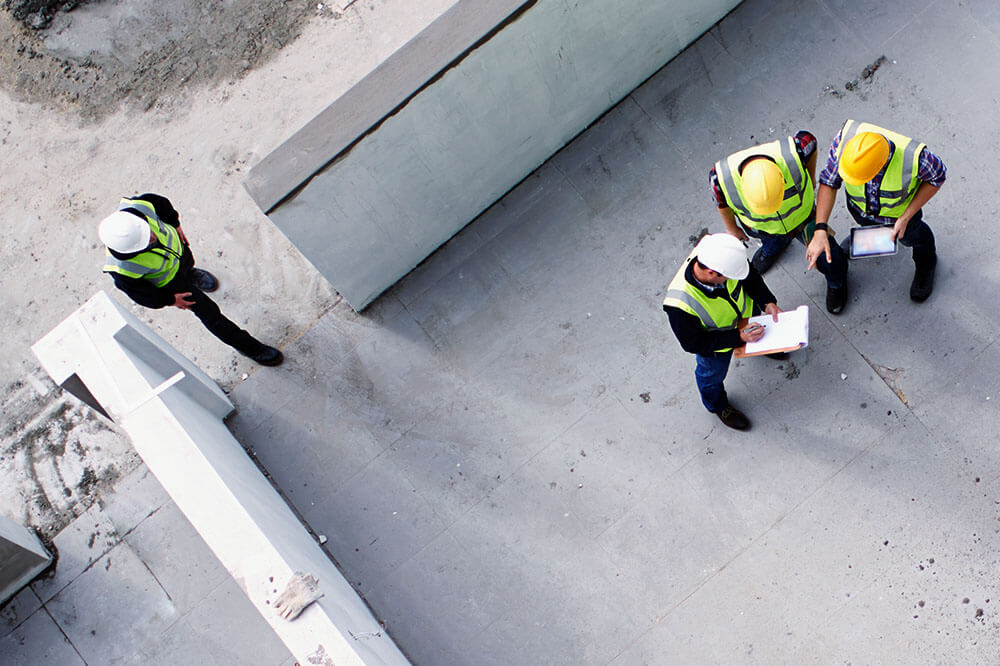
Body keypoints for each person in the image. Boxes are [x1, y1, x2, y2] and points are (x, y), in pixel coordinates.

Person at [98, 193, 283, 366]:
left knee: (188, 264)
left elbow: (162, 203)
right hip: (174, 285)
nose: (152, 237)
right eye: (146, 242)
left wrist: (174, 223)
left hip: (181, 255)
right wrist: (170, 300)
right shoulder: (122, 270)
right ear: (131, 251)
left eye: (148, 232)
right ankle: (250, 348)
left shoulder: (139, 207)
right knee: (211, 315)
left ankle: (192, 274)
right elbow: (142, 296)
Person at [807, 119, 946, 303]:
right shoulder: (844, 144)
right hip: (861, 210)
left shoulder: (915, 158)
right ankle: (872, 239)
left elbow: (938, 176)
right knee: (870, 229)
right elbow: (829, 182)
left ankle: (926, 263)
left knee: (915, 237)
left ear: (878, 169)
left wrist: (906, 216)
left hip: (900, 218)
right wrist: (820, 229)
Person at [711, 131, 849, 313]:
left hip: (804, 217)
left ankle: (836, 281)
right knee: (770, 240)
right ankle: (774, 246)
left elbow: (811, 143)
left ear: (781, 176)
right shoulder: (721, 179)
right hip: (764, 227)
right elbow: (721, 202)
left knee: (828, 256)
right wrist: (732, 228)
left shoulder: (796, 151)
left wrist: (811, 175)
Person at [662, 233, 783, 431]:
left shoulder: (725, 259)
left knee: (759, 334)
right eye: (728, 278)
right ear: (712, 274)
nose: (732, 279)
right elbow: (693, 343)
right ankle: (717, 406)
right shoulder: (679, 305)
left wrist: (767, 301)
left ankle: (761, 346)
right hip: (717, 346)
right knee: (711, 375)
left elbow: (750, 276)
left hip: (748, 316)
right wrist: (738, 337)